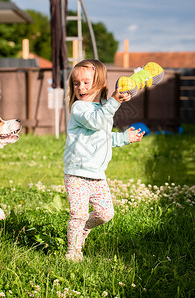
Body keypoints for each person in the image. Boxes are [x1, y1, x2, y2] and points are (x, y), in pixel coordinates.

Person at [63, 59, 145, 262]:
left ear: (99, 83)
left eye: (85, 82)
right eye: (76, 83)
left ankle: (81, 230)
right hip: (77, 173)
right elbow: (97, 121)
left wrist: (125, 138)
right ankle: (73, 252)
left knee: (106, 213)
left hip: (97, 175)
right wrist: (114, 102)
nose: (80, 87)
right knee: (78, 214)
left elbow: (104, 136)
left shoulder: (102, 108)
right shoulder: (80, 109)